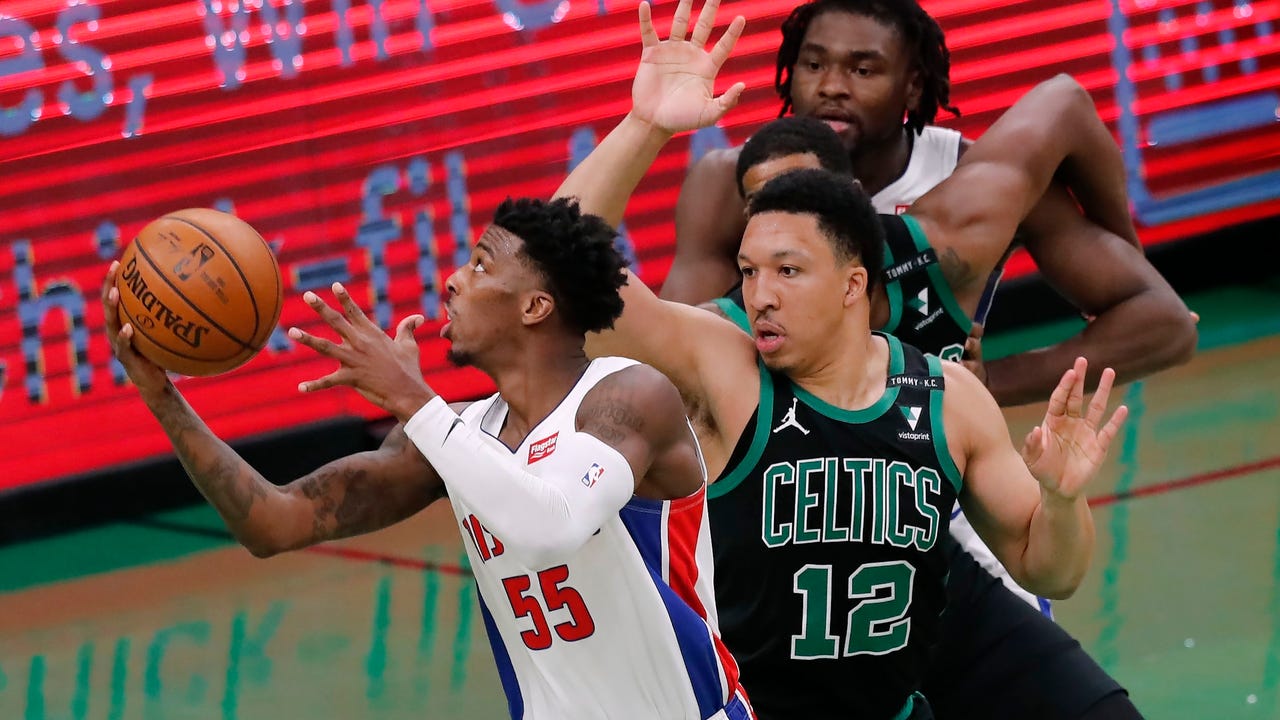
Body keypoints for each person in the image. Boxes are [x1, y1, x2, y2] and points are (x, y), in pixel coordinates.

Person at [98, 5, 755, 718]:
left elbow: (554, 523)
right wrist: (162, 397)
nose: (453, 280)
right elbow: (274, 524)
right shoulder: (455, 435)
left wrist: (416, 401)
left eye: (480, 266)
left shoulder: (629, 396)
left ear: (536, 307)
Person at [554, 9, 1131, 717]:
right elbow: (559, 271)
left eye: (788, 271)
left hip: (923, 620)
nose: (760, 295)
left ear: (855, 283)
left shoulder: (946, 391)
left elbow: (1053, 570)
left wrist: (1063, 501)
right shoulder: (721, 363)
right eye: (749, 270)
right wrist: (644, 125)